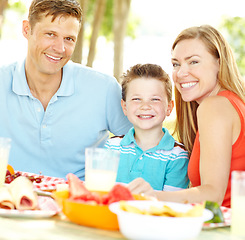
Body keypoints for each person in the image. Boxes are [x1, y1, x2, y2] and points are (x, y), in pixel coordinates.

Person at [0, 0, 132, 180]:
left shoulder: (104, 89)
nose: (60, 48)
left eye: (69, 39)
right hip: (10, 203)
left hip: (78, 203)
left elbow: (141, 144)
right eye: (50, 34)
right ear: (26, 29)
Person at [128, 25, 245, 208]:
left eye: (193, 62)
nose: (181, 73)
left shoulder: (214, 107)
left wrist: (151, 196)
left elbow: (213, 195)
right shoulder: (234, 103)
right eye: (176, 64)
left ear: (220, 63)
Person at [105, 63, 189, 192]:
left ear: (169, 107)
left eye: (155, 99)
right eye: (137, 99)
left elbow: (171, 206)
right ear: (125, 107)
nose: (145, 106)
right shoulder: (111, 147)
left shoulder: (177, 156)